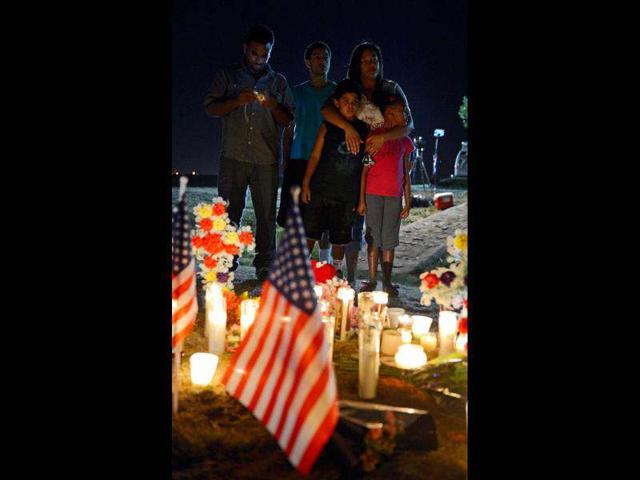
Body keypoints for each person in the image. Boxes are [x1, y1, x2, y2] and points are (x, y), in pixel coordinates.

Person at [204, 24, 295, 282]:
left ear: (270, 53)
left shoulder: (278, 82)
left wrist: (274, 104)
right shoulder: (228, 76)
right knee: (229, 211)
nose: (258, 60)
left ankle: (265, 265)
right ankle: (225, 260)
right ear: (245, 49)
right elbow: (211, 108)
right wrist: (235, 100)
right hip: (233, 156)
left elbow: (288, 119)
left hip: (266, 160)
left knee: (266, 214)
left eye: (264, 55)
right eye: (254, 53)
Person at [320, 42, 414, 286]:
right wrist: (348, 127)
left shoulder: (392, 89)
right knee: (352, 221)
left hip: (383, 167)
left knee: (381, 229)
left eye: (374, 60)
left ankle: (380, 280)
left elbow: (408, 124)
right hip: (351, 164)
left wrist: (384, 137)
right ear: (356, 65)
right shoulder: (350, 89)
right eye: (365, 60)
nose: (371, 64)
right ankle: (349, 279)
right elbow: (327, 110)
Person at [301, 79, 369, 276]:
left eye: (354, 101)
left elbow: (365, 166)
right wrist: (306, 183)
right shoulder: (327, 126)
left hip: (346, 196)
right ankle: (303, 271)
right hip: (320, 190)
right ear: (336, 103)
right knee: (310, 232)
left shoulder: (364, 130)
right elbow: (314, 155)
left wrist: (361, 198)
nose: (350, 105)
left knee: (340, 237)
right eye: (345, 100)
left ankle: (336, 271)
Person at [277, 41, 336, 263]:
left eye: (326, 57)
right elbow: (289, 128)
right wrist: (285, 159)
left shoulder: (336, 92)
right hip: (299, 158)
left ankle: (324, 262)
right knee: (294, 213)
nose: (322, 61)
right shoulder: (297, 92)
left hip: (327, 161)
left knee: (324, 212)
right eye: (317, 57)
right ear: (307, 61)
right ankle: (290, 261)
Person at [357, 96, 414, 296]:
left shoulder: (404, 141)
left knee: (389, 238)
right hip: (372, 195)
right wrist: (361, 200)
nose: (405, 115)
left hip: (394, 197)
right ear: (389, 113)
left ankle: (387, 282)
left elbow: (406, 172)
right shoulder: (373, 137)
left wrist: (408, 200)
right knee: (373, 237)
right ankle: (372, 281)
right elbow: (365, 171)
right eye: (401, 111)